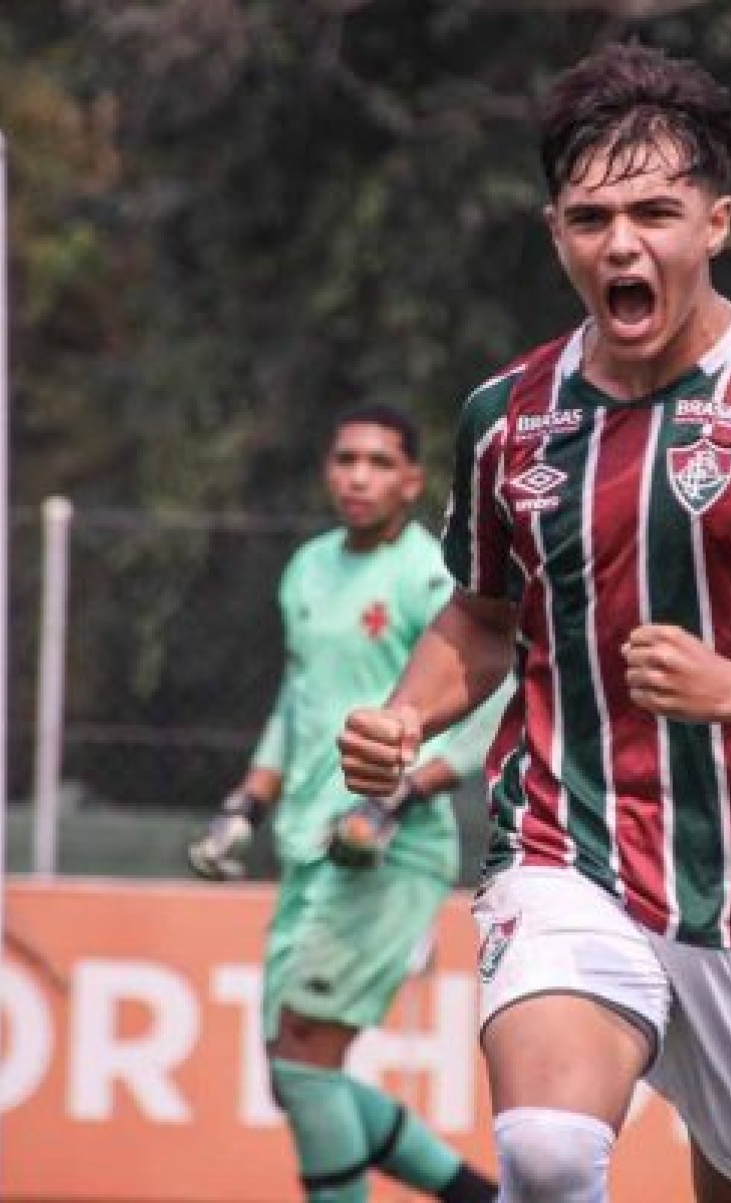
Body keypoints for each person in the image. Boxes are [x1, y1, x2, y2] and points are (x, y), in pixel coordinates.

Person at [338, 43, 731, 1203]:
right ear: (555, 233)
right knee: (549, 1150)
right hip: (567, 847)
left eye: (656, 212)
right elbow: (480, 620)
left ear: (715, 224)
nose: (623, 243)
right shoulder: (506, 421)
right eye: (591, 217)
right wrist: (406, 715)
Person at [188, 404, 508, 1203]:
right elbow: (297, 703)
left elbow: (487, 710)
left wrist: (397, 799)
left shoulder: (431, 577)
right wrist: (246, 805)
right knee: (291, 1071)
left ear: (412, 480)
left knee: (303, 1058)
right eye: (345, 459)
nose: (358, 475)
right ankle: (479, 1197)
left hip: (386, 850)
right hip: (306, 841)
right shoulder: (306, 568)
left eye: (378, 461)